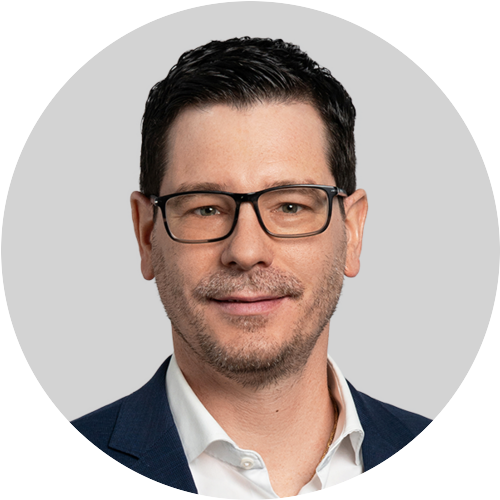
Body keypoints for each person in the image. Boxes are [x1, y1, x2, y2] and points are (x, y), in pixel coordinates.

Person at [0, 37, 498, 500]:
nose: (246, 249)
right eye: (205, 208)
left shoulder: (482, 480)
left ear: (352, 231)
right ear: (147, 234)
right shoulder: (22, 488)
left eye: (290, 206)